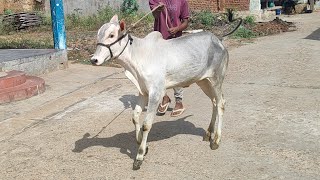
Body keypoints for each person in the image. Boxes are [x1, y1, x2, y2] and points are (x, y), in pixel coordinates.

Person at [149, 0, 190, 117]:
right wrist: (158, 10)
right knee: (158, 72)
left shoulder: (182, 1)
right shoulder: (155, 0)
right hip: (159, 41)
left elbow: (185, 22)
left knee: (175, 71)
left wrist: (177, 29)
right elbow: (155, 16)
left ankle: (179, 102)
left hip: (175, 41)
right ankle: (164, 97)